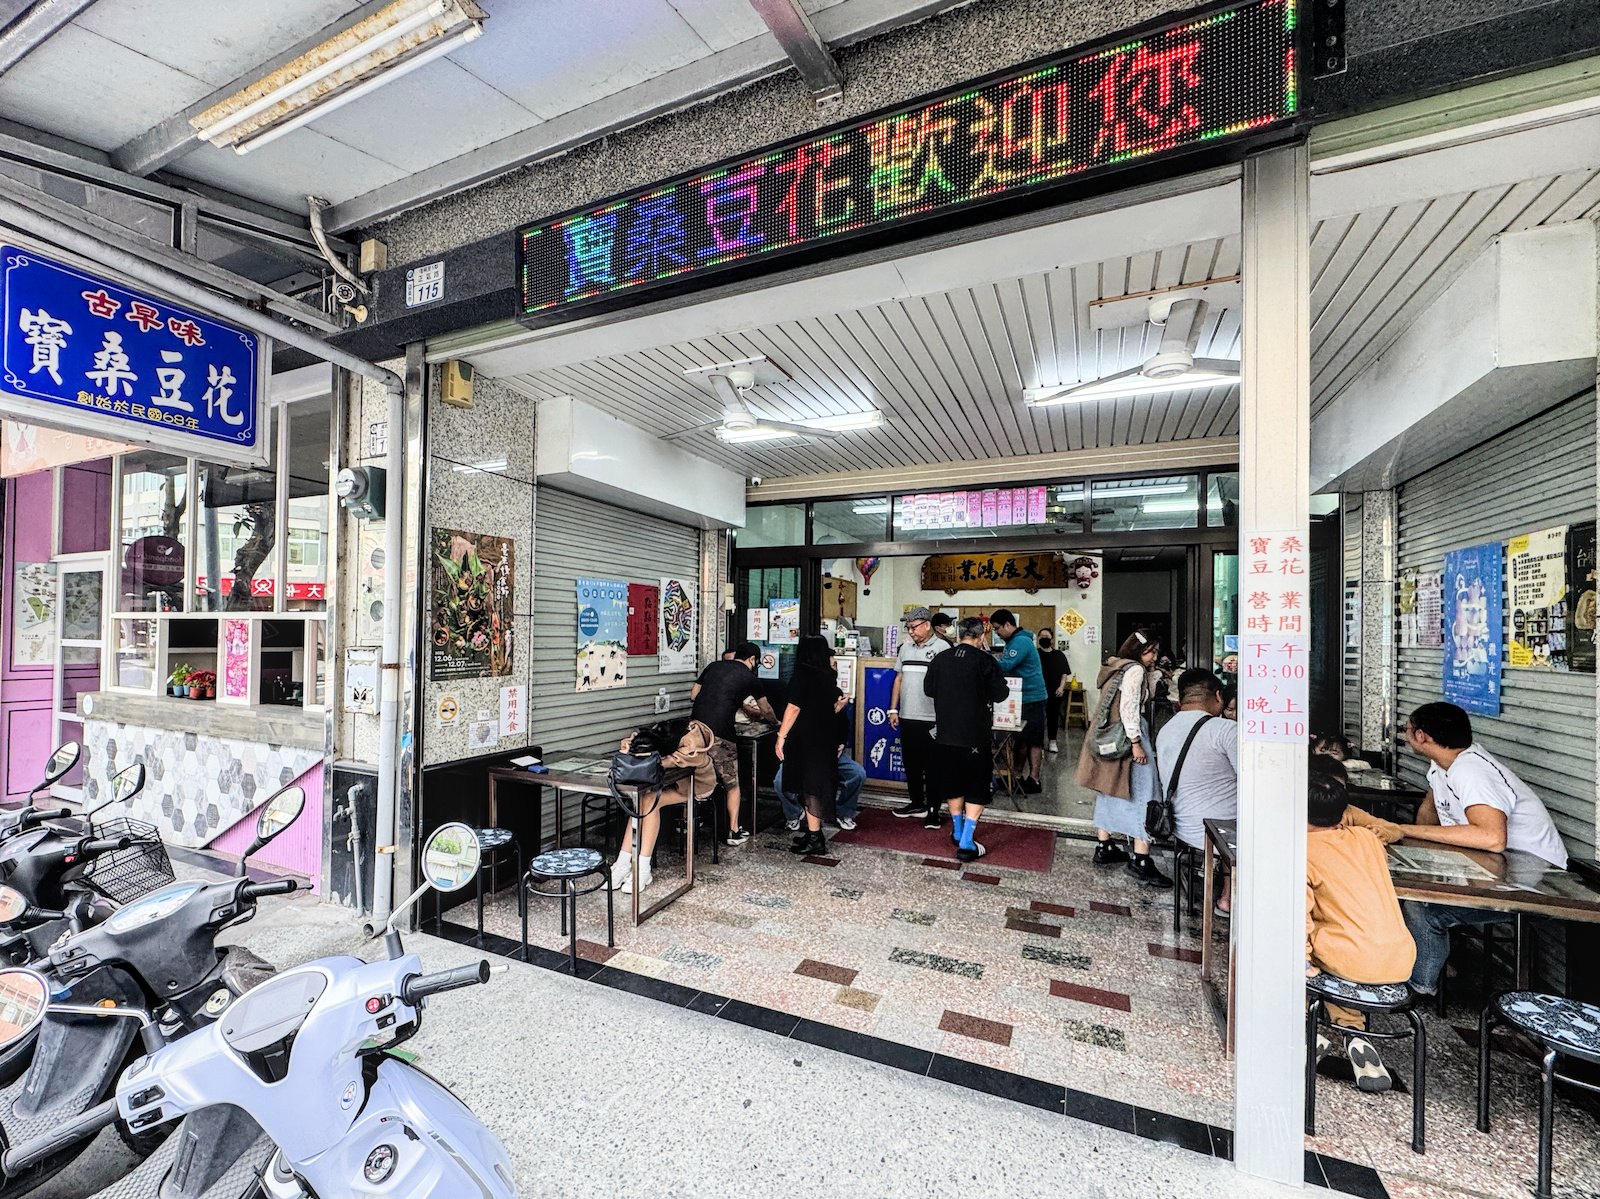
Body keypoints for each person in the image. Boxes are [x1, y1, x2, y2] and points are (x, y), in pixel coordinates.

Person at [1392, 701, 1568, 996]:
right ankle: (1431, 961)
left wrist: (1404, 830)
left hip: (1534, 883)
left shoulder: (1472, 771)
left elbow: (1492, 838)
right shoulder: (1442, 765)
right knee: (1404, 889)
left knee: (1423, 907)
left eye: (1406, 729)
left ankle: (1416, 989)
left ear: (1421, 736)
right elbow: (1429, 813)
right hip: (1491, 868)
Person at [1305, 764, 1417, 1092]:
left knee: (1298, 945)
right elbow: (1389, 831)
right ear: (1344, 813)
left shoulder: (1302, 851)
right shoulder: (1367, 838)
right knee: (1347, 943)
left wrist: (1303, 960)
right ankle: (1354, 1034)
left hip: (1351, 957)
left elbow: (1298, 916)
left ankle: (1307, 1036)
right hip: (1400, 960)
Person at [1076, 631, 1171, 887]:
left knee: (1109, 787)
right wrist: (1136, 743)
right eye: (1150, 651)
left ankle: (1104, 845)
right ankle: (1141, 858)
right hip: (1129, 736)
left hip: (1111, 737)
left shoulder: (1115, 666)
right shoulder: (1135, 670)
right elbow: (1129, 708)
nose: (1155, 656)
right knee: (1145, 791)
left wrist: (1155, 673)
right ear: (1138, 651)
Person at [923, 616, 1010, 862]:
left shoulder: (940, 659)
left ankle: (958, 830)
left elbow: (929, 689)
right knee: (976, 786)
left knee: (952, 783)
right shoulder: (985, 660)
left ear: (958, 635)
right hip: (975, 735)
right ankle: (967, 841)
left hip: (945, 734)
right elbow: (1001, 693)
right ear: (982, 636)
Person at [1155, 669, 1237, 912]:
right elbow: (1253, 778)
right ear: (1218, 696)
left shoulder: (1166, 728)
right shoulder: (1225, 730)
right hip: (1216, 833)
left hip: (1180, 826)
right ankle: (1228, 898)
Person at [609, 719, 719, 895]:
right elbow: (644, 740)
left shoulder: (692, 744)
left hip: (697, 785)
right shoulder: (666, 733)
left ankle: (643, 869)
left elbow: (661, 762)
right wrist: (631, 744)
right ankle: (622, 864)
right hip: (673, 780)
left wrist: (637, 754)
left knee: (649, 802)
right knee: (642, 801)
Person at [776, 635, 847, 858]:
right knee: (814, 785)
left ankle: (816, 839)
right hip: (824, 737)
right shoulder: (828, 676)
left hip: (806, 739)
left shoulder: (802, 675)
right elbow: (828, 707)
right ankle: (811, 833)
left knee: (810, 787)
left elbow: (794, 708)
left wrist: (781, 736)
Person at [688, 640, 764, 846]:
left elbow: (693, 695)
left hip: (694, 731)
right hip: (721, 734)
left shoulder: (713, 666)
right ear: (752, 659)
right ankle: (733, 831)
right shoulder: (749, 677)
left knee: (693, 776)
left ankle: (688, 823)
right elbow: (765, 710)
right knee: (731, 783)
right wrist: (774, 721)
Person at [889, 606, 950, 828]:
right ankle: (916, 803)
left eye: (913, 627)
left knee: (933, 766)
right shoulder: (905, 648)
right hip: (907, 716)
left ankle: (933, 810)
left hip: (932, 718)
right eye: (908, 628)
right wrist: (893, 709)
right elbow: (899, 679)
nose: (911, 632)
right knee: (911, 763)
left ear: (927, 625)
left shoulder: (943, 648)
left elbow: (948, 685)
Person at [989, 609, 1047, 792]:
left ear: (1008, 624)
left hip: (1032, 697)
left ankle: (1034, 780)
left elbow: (1006, 665)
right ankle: (1017, 777)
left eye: (997, 628)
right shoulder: (1013, 641)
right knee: (1020, 740)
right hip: (1020, 697)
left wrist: (985, 659)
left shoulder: (1021, 641)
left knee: (1034, 741)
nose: (996, 633)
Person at [1037, 630, 1071, 754]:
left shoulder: (1059, 655)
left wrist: (1061, 687)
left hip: (1055, 691)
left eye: (1047, 636)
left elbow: (1064, 673)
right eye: (1042, 636)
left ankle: (1052, 741)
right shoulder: (1035, 654)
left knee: (1053, 717)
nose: (1044, 638)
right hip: (1039, 691)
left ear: (1051, 638)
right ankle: (1038, 744)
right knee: (1039, 718)